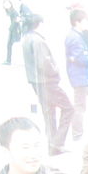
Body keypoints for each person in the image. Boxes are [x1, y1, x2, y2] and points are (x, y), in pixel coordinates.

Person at [20, 13, 74, 154]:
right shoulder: (38, 40)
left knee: (49, 113)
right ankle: (57, 143)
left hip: (36, 82)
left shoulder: (26, 38)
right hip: (47, 81)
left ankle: (52, 144)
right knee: (68, 108)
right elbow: (44, 63)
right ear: (39, 24)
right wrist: (55, 71)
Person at [64, 9, 88, 142]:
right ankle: (77, 134)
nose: (87, 23)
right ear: (77, 22)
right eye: (85, 21)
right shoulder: (75, 38)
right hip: (80, 76)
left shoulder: (76, 35)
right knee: (80, 106)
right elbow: (79, 58)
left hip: (81, 75)